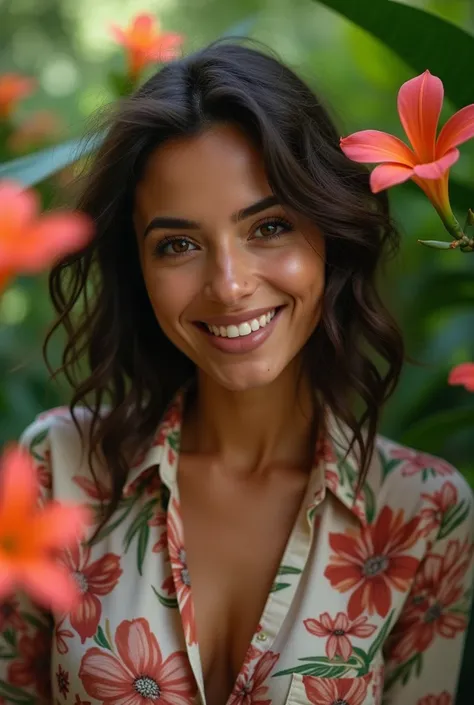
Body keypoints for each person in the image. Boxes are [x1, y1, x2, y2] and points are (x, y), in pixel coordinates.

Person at [3, 41, 473, 705]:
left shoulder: (423, 511)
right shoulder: (57, 469)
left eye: (270, 226)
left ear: (329, 233)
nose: (228, 286)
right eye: (178, 245)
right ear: (137, 270)